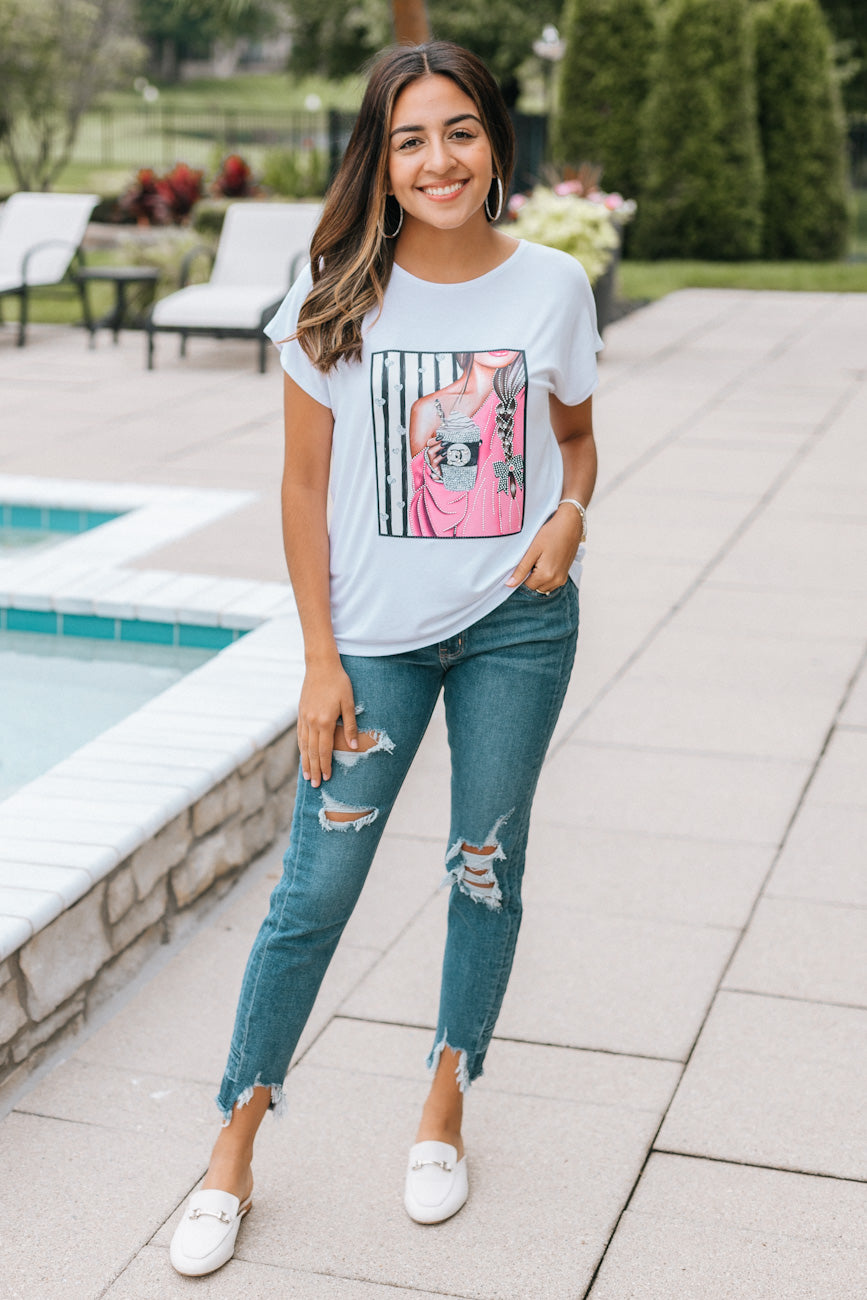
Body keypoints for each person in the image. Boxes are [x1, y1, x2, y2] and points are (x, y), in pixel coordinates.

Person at [170, 39, 601, 1278]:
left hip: (521, 627)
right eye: (411, 137)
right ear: (382, 156)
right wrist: (320, 658)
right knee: (313, 894)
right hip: (373, 647)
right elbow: (302, 488)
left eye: (459, 130)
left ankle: (444, 1108)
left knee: (485, 869)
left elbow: (576, 443)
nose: (437, 158)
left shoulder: (554, 288)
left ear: (494, 146)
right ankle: (231, 1150)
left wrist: (573, 513)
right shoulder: (336, 286)